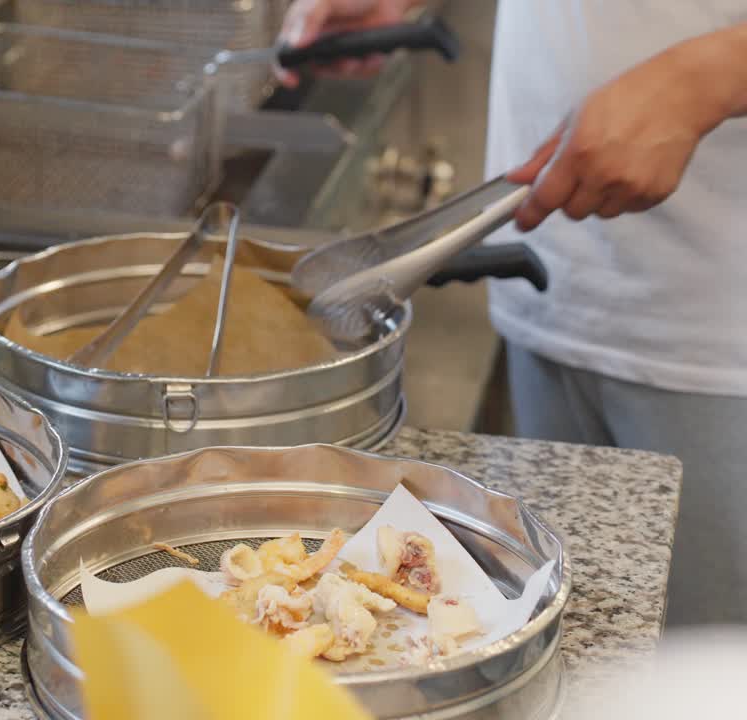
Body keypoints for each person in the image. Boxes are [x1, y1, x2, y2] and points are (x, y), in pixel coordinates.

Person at [278, 0, 747, 626]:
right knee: (567, 652)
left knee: (702, 674)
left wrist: (712, 76)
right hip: (555, 284)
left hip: (721, 332)